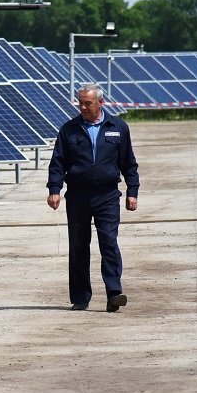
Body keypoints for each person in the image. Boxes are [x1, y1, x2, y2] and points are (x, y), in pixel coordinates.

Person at [47, 83, 139, 312]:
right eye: (81, 103)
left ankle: (114, 293)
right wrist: (54, 189)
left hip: (107, 196)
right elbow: (58, 163)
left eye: (88, 103)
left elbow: (129, 163)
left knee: (109, 242)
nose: (83, 107)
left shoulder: (118, 128)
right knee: (79, 246)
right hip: (78, 196)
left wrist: (132, 192)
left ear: (101, 102)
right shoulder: (69, 130)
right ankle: (80, 297)